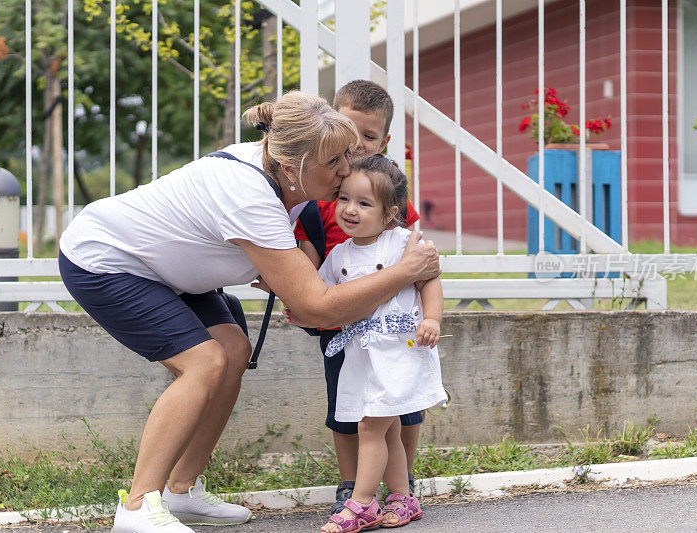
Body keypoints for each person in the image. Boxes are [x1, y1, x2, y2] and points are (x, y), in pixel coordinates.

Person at [57, 91, 441, 533]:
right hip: (106, 260)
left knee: (234, 349)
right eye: (335, 160)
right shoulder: (249, 194)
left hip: (169, 271)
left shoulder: (282, 172)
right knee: (205, 360)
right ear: (294, 165)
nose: (346, 169)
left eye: (348, 156)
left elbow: (302, 277)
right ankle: (138, 507)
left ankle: (181, 491)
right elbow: (314, 304)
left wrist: (297, 270)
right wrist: (405, 271)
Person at [287, 155, 447, 532]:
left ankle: (361, 504)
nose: (350, 210)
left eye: (364, 203)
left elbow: (429, 281)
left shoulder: (404, 242)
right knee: (386, 428)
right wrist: (303, 312)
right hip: (361, 355)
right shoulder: (339, 254)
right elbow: (322, 295)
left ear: (391, 211)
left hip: (400, 352)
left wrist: (432, 318)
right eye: (344, 199)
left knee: (370, 427)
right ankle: (402, 496)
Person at [294, 80, 425, 516]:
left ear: (384, 141)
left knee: (402, 409)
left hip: (393, 328)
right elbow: (307, 262)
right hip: (342, 325)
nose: (356, 143)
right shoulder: (320, 196)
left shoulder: (391, 198)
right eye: (347, 130)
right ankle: (351, 483)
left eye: (368, 136)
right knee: (346, 407)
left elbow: (418, 258)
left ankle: (403, 484)